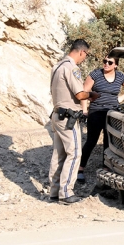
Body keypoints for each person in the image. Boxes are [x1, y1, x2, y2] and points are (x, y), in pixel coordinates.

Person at [48, 39, 100, 204]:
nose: (84, 58)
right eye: (85, 55)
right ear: (81, 52)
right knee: (75, 152)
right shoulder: (71, 68)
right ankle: (66, 193)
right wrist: (93, 95)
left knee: (59, 155)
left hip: (57, 115)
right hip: (68, 119)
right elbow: (80, 94)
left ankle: (54, 192)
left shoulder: (57, 66)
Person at [77, 55, 124, 181]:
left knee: (108, 142)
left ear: (116, 65)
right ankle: (80, 169)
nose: (106, 64)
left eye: (110, 62)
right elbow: (84, 92)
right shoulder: (96, 74)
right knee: (91, 141)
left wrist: (121, 98)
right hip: (96, 111)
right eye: (104, 61)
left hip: (111, 113)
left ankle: (105, 168)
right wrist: (84, 110)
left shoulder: (120, 76)